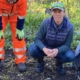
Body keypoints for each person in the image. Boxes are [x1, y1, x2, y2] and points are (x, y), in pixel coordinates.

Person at [28, 2, 75, 74]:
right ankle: (40, 62)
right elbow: (37, 39)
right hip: (46, 47)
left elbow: (67, 45)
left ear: (64, 13)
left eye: (59, 11)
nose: (57, 14)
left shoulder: (69, 27)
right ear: (52, 13)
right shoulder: (46, 23)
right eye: (54, 11)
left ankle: (59, 63)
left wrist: (57, 50)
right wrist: (44, 48)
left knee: (70, 56)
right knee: (32, 48)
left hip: (59, 49)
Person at [0, 0, 27, 72]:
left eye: (13, 0)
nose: (11, 2)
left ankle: (20, 60)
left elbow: (21, 14)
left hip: (15, 15)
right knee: (0, 36)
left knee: (19, 37)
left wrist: (19, 29)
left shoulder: (22, 1)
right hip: (2, 15)